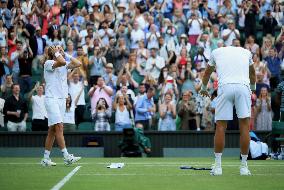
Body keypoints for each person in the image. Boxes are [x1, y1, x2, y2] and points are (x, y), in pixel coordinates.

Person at [200, 45, 256, 175]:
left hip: (225, 87)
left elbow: (207, 72)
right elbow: (252, 73)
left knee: (220, 126)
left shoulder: (216, 52)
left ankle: (218, 167)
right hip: (243, 87)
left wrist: (203, 88)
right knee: (245, 127)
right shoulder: (246, 52)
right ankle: (244, 167)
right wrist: (252, 88)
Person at [41, 45, 81, 167]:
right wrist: (58, 54)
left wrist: (66, 53)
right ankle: (66, 156)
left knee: (52, 130)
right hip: (51, 99)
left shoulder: (64, 63)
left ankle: (45, 159)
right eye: (57, 48)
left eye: (60, 47)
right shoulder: (48, 63)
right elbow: (62, 62)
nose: (59, 49)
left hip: (61, 100)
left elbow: (78, 63)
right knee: (59, 126)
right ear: (52, 52)